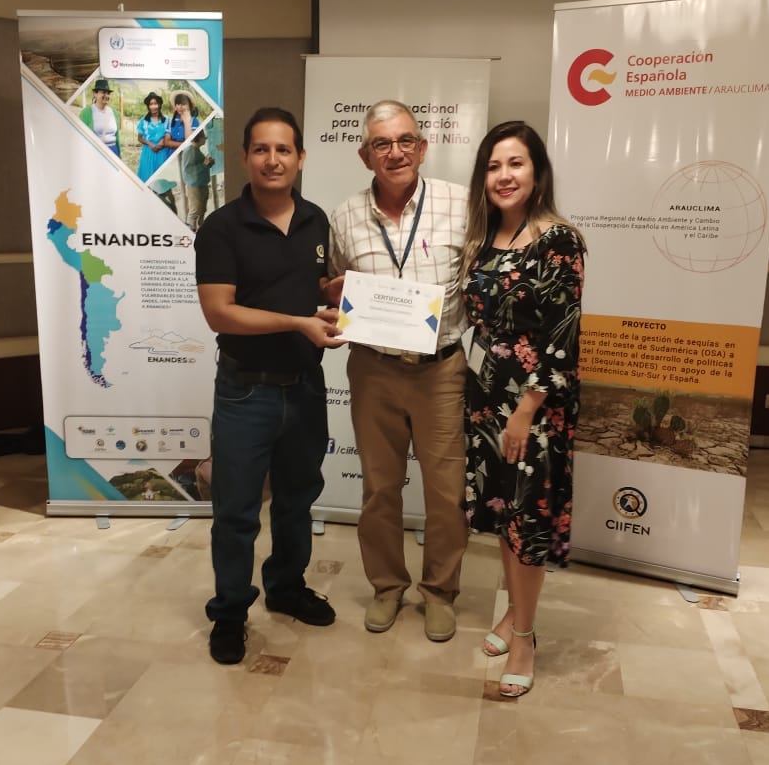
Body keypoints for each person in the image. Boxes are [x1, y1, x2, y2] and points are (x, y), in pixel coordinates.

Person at [194, 107, 344, 665]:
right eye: (262, 149)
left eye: (284, 150)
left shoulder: (316, 221)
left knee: (297, 500)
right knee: (236, 511)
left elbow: (310, 284)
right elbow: (220, 312)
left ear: (300, 158)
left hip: (305, 386)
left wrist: (335, 292)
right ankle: (230, 613)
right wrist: (299, 323)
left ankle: (285, 588)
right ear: (245, 157)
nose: (273, 160)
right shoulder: (221, 228)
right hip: (245, 392)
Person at [327, 99, 468, 642]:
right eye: (381, 144)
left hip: (440, 371)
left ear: (423, 148)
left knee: (446, 493)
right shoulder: (344, 216)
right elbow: (329, 285)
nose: (395, 152)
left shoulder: (460, 204)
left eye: (405, 140)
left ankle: (440, 592)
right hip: (374, 369)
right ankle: (387, 586)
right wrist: (335, 294)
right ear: (366, 156)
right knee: (380, 488)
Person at [461, 121, 585, 698]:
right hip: (486, 399)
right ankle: (515, 612)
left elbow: (562, 337)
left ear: (537, 172)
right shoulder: (486, 237)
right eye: (493, 166)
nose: (504, 176)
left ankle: (526, 638)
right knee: (503, 513)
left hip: (534, 406)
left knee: (527, 520)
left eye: (516, 163)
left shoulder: (558, 239)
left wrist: (526, 409)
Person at [181, 129, 215, 230]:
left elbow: (199, 166)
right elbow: (188, 171)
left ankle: (201, 230)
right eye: (204, 137)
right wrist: (204, 164)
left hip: (201, 184)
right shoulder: (189, 151)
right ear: (198, 138)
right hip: (194, 186)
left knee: (202, 209)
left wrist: (208, 164)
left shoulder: (195, 150)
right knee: (195, 210)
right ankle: (191, 231)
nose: (205, 139)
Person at [78, 77, 120, 155]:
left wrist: (119, 155)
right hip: (95, 152)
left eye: (108, 93)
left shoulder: (114, 113)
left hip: (114, 151)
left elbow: (117, 137)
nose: (106, 95)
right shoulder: (86, 113)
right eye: (103, 92)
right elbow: (79, 136)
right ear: (95, 94)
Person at [136, 92, 171, 182]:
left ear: (159, 105)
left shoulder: (167, 120)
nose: (153, 106)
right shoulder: (143, 121)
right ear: (148, 106)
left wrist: (163, 140)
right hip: (148, 153)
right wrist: (150, 144)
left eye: (155, 103)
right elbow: (139, 138)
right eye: (151, 104)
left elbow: (169, 135)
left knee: (162, 182)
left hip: (162, 153)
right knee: (147, 180)